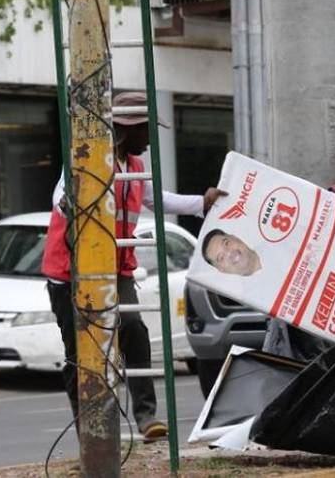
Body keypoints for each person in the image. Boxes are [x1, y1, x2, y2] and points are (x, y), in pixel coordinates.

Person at [42, 90, 224, 442]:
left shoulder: (137, 168)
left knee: (135, 331)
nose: (150, 141)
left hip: (116, 266)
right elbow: (61, 192)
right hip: (70, 270)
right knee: (78, 352)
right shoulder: (92, 157)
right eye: (146, 132)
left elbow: (158, 200)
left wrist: (203, 202)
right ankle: (89, 431)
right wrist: (70, 202)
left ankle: (145, 416)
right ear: (129, 129)